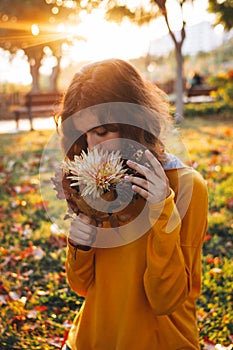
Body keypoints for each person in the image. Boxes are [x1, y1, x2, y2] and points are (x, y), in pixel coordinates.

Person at [55, 58, 208, 350]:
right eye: (85, 133)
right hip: (94, 337)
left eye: (103, 132)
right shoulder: (93, 180)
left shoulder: (188, 187)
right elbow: (82, 286)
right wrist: (80, 246)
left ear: (135, 124)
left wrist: (162, 210)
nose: (92, 147)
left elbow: (167, 299)